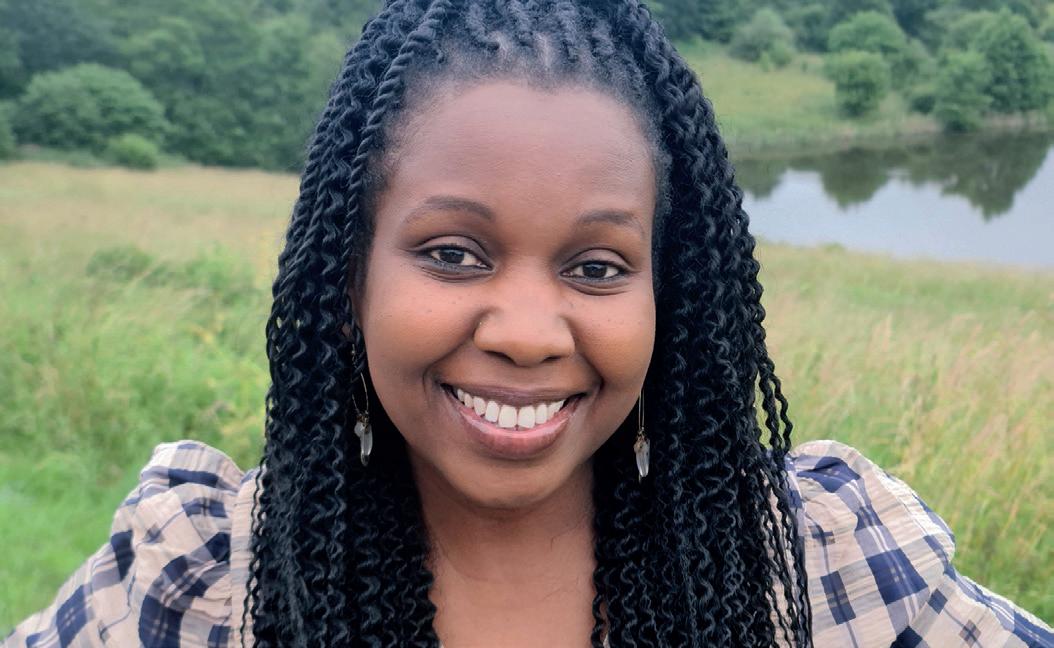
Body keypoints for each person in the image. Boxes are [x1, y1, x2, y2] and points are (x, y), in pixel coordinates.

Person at [4, 1, 1051, 647]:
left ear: (669, 297)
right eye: (453, 253)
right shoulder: (201, 587)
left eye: (596, 267)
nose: (526, 331)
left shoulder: (820, 568)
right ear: (349, 277)